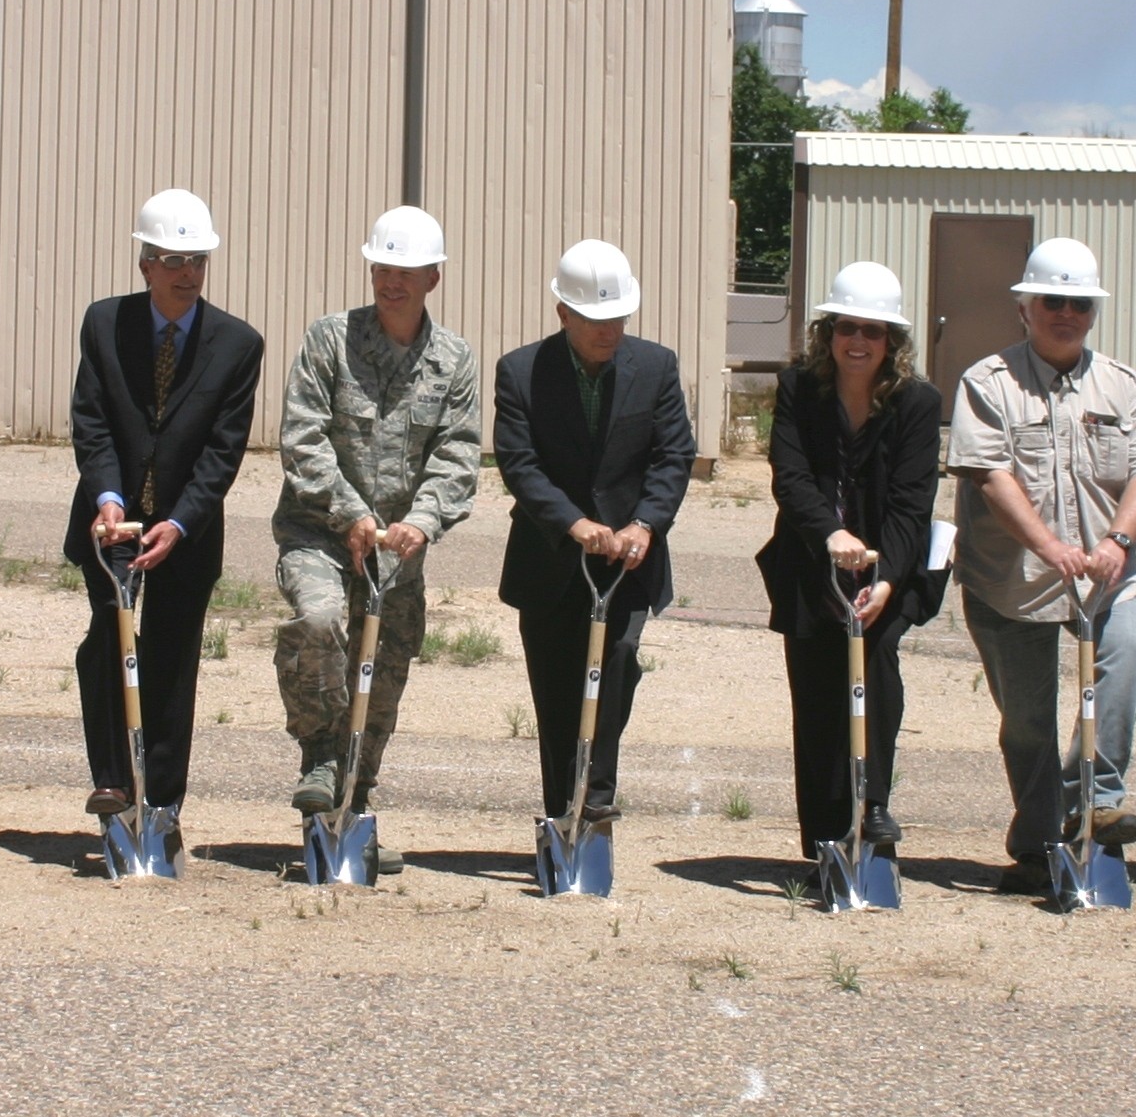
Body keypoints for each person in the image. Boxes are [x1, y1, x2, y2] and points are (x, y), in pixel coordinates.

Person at [949, 238, 1136, 894]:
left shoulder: (1120, 384)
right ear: (1025, 306)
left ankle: (1096, 804)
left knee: (1126, 661)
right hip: (1013, 581)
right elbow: (990, 475)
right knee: (1029, 721)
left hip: (1106, 577)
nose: (1066, 312)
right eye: (1053, 300)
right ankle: (1041, 838)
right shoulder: (988, 383)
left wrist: (1118, 543)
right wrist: (1050, 546)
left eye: (1080, 302)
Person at [272, 206, 483, 872]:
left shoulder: (454, 361)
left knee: (383, 681)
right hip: (322, 532)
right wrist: (349, 511)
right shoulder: (330, 341)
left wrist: (421, 520)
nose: (393, 282)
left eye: (408, 272)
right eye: (383, 268)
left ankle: (353, 810)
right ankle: (320, 753)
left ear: (433, 278)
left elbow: (458, 453)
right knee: (319, 618)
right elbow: (302, 437)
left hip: (397, 551)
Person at [64, 189, 264, 825]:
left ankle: (163, 801)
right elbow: (91, 421)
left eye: (197, 261)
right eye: (173, 261)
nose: (186, 274)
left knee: (171, 661)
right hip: (111, 522)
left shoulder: (237, 344)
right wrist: (108, 499)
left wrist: (179, 524)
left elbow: (222, 452)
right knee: (105, 644)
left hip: (187, 530)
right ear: (145, 264)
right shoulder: (104, 323)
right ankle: (114, 782)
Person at [492, 239, 695, 826]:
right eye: (595, 319)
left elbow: (673, 454)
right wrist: (574, 524)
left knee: (619, 661)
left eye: (618, 318)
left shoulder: (655, 366)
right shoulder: (522, 372)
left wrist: (646, 524)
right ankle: (563, 811)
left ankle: (597, 795)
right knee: (557, 690)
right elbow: (519, 462)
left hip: (629, 559)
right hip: (551, 559)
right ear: (563, 313)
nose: (610, 331)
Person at [755, 261, 941, 867]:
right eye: (847, 328)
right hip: (813, 566)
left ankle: (874, 808)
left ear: (893, 342)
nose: (858, 341)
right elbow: (792, 476)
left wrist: (886, 579)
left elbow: (914, 503)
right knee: (816, 702)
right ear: (827, 334)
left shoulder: (917, 403)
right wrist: (831, 534)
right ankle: (826, 845)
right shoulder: (798, 390)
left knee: (876, 675)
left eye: (874, 330)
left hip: (887, 570)